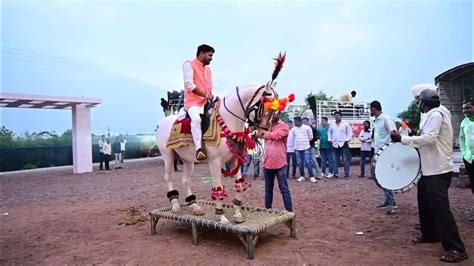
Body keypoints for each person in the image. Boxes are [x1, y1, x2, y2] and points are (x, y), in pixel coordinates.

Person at [391, 90, 468, 263]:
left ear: (424, 104)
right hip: (429, 168)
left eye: (419, 102)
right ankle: (430, 234)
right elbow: (424, 138)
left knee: (441, 209)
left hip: (437, 169)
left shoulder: (435, 114)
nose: (418, 105)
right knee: (424, 202)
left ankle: (456, 248)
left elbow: (429, 139)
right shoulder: (434, 114)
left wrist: (402, 139)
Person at [181, 44, 215, 160]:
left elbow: (211, 87)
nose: (211, 58)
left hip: (206, 103)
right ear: (202, 54)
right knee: (196, 120)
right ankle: (199, 149)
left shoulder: (209, 70)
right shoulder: (188, 64)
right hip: (193, 102)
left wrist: (215, 97)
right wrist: (206, 95)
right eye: (210, 55)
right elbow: (189, 84)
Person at [370, 101, 397, 213]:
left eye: (370, 109)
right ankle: (388, 200)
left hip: (386, 152)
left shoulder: (386, 119)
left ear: (374, 108)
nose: (370, 111)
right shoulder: (376, 121)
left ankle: (391, 203)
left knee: (385, 177)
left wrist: (390, 149)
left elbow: (394, 133)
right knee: (378, 177)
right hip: (378, 152)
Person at [262, 112, 293, 212]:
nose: (271, 115)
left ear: (279, 114)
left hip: (280, 163)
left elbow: (276, 136)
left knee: (284, 189)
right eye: (270, 113)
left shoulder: (284, 126)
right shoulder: (267, 125)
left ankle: (288, 210)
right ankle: (268, 209)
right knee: (268, 189)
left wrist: (261, 133)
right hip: (267, 162)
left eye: (274, 113)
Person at [328, 111, 352, 179]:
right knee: (335, 160)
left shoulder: (345, 124)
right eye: (335, 115)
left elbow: (349, 133)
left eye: (338, 115)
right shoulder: (332, 124)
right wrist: (330, 140)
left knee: (345, 160)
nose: (336, 117)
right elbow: (329, 133)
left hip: (343, 144)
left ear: (341, 116)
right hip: (334, 144)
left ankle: (346, 174)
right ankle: (335, 174)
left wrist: (347, 140)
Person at [292, 116, 316, 183]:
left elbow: (311, 137)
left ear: (298, 121)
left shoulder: (307, 128)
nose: (294, 123)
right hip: (297, 148)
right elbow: (293, 138)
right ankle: (302, 176)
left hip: (306, 147)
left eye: (295, 122)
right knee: (300, 163)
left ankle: (311, 176)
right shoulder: (294, 129)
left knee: (308, 162)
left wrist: (304, 141)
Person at [460, 97, 474, 193]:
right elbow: (461, 138)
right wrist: (464, 153)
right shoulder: (464, 122)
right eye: (464, 108)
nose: (465, 111)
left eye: (468, 108)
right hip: (469, 159)